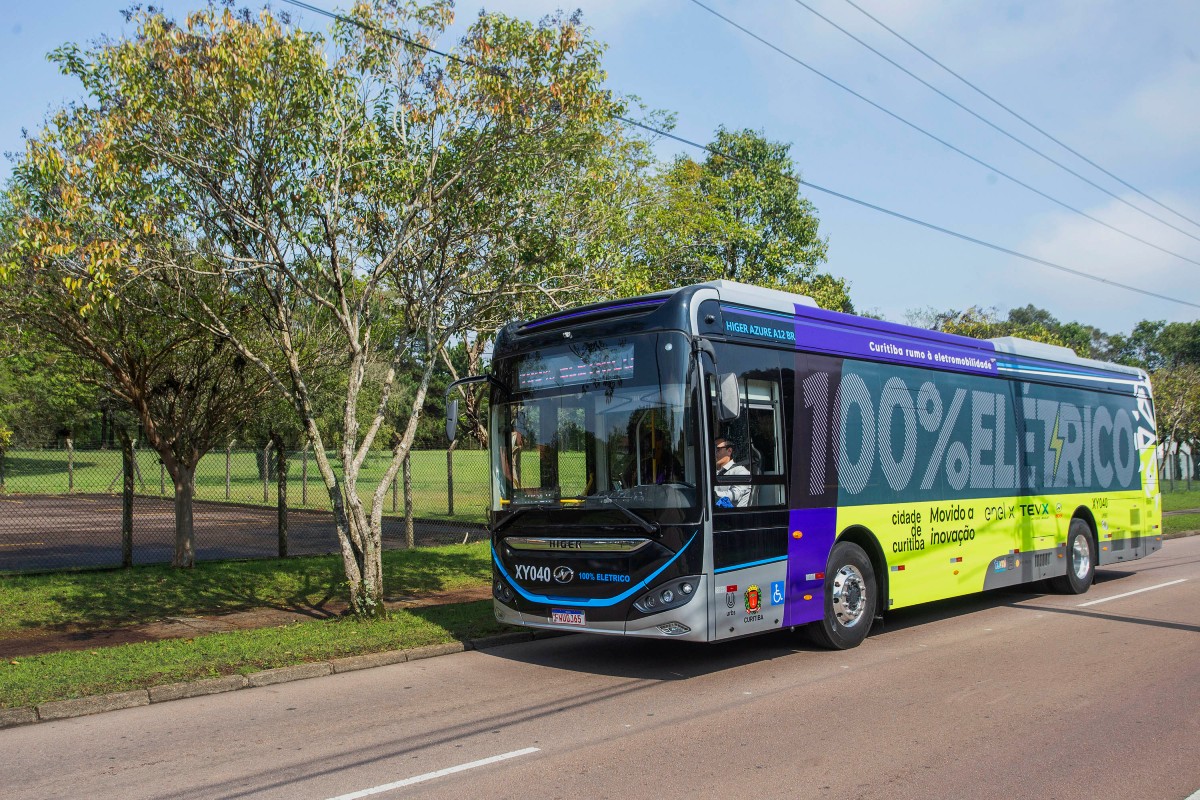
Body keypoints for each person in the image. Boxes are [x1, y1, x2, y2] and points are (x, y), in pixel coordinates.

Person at [714, 437, 750, 508]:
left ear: (729, 451)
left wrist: (713, 494)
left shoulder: (741, 471)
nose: (714, 453)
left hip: (734, 516)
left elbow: (735, 494)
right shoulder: (713, 472)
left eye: (717, 449)